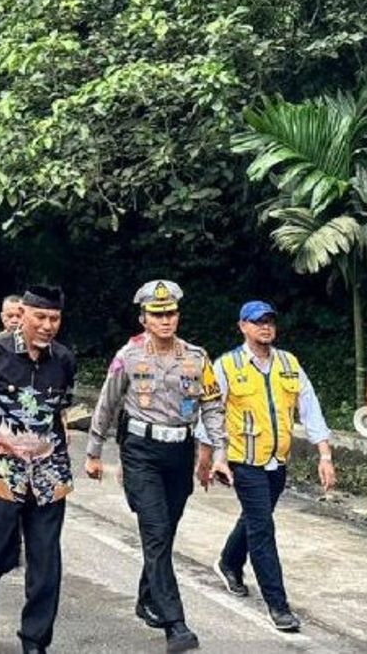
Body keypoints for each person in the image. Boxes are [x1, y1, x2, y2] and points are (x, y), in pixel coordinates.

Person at [86, 280, 230, 653]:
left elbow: (212, 406)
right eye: (157, 314)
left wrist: (218, 454)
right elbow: (107, 401)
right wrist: (93, 451)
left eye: (170, 313)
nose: (165, 320)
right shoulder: (129, 356)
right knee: (156, 529)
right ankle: (175, 624)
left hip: (178, 453)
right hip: (140, 451)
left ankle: (146, 597)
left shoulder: (197, 358)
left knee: (163, 534)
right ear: (144, 318)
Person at [209, 301, 337, 632]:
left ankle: (228, 562)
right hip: (243, 460)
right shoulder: (227, 365)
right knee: (263, 529)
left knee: (255, 519)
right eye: (258, 322)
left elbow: (310, 410)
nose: (265, 327)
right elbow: (210, 413)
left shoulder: (289, 364)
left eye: (270, 321)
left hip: (277, 461)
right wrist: (213, 457)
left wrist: (324, 454)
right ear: (243, 327)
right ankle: (277, 605)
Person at [0, 286, 75, 654]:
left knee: (45, 558)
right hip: (0, 467)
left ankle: (35, 640)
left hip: (48, 469)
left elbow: (62, 408)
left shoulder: (64, 359)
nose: (46, 326)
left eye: (53, 319)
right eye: (39, 317)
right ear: (22, 314)